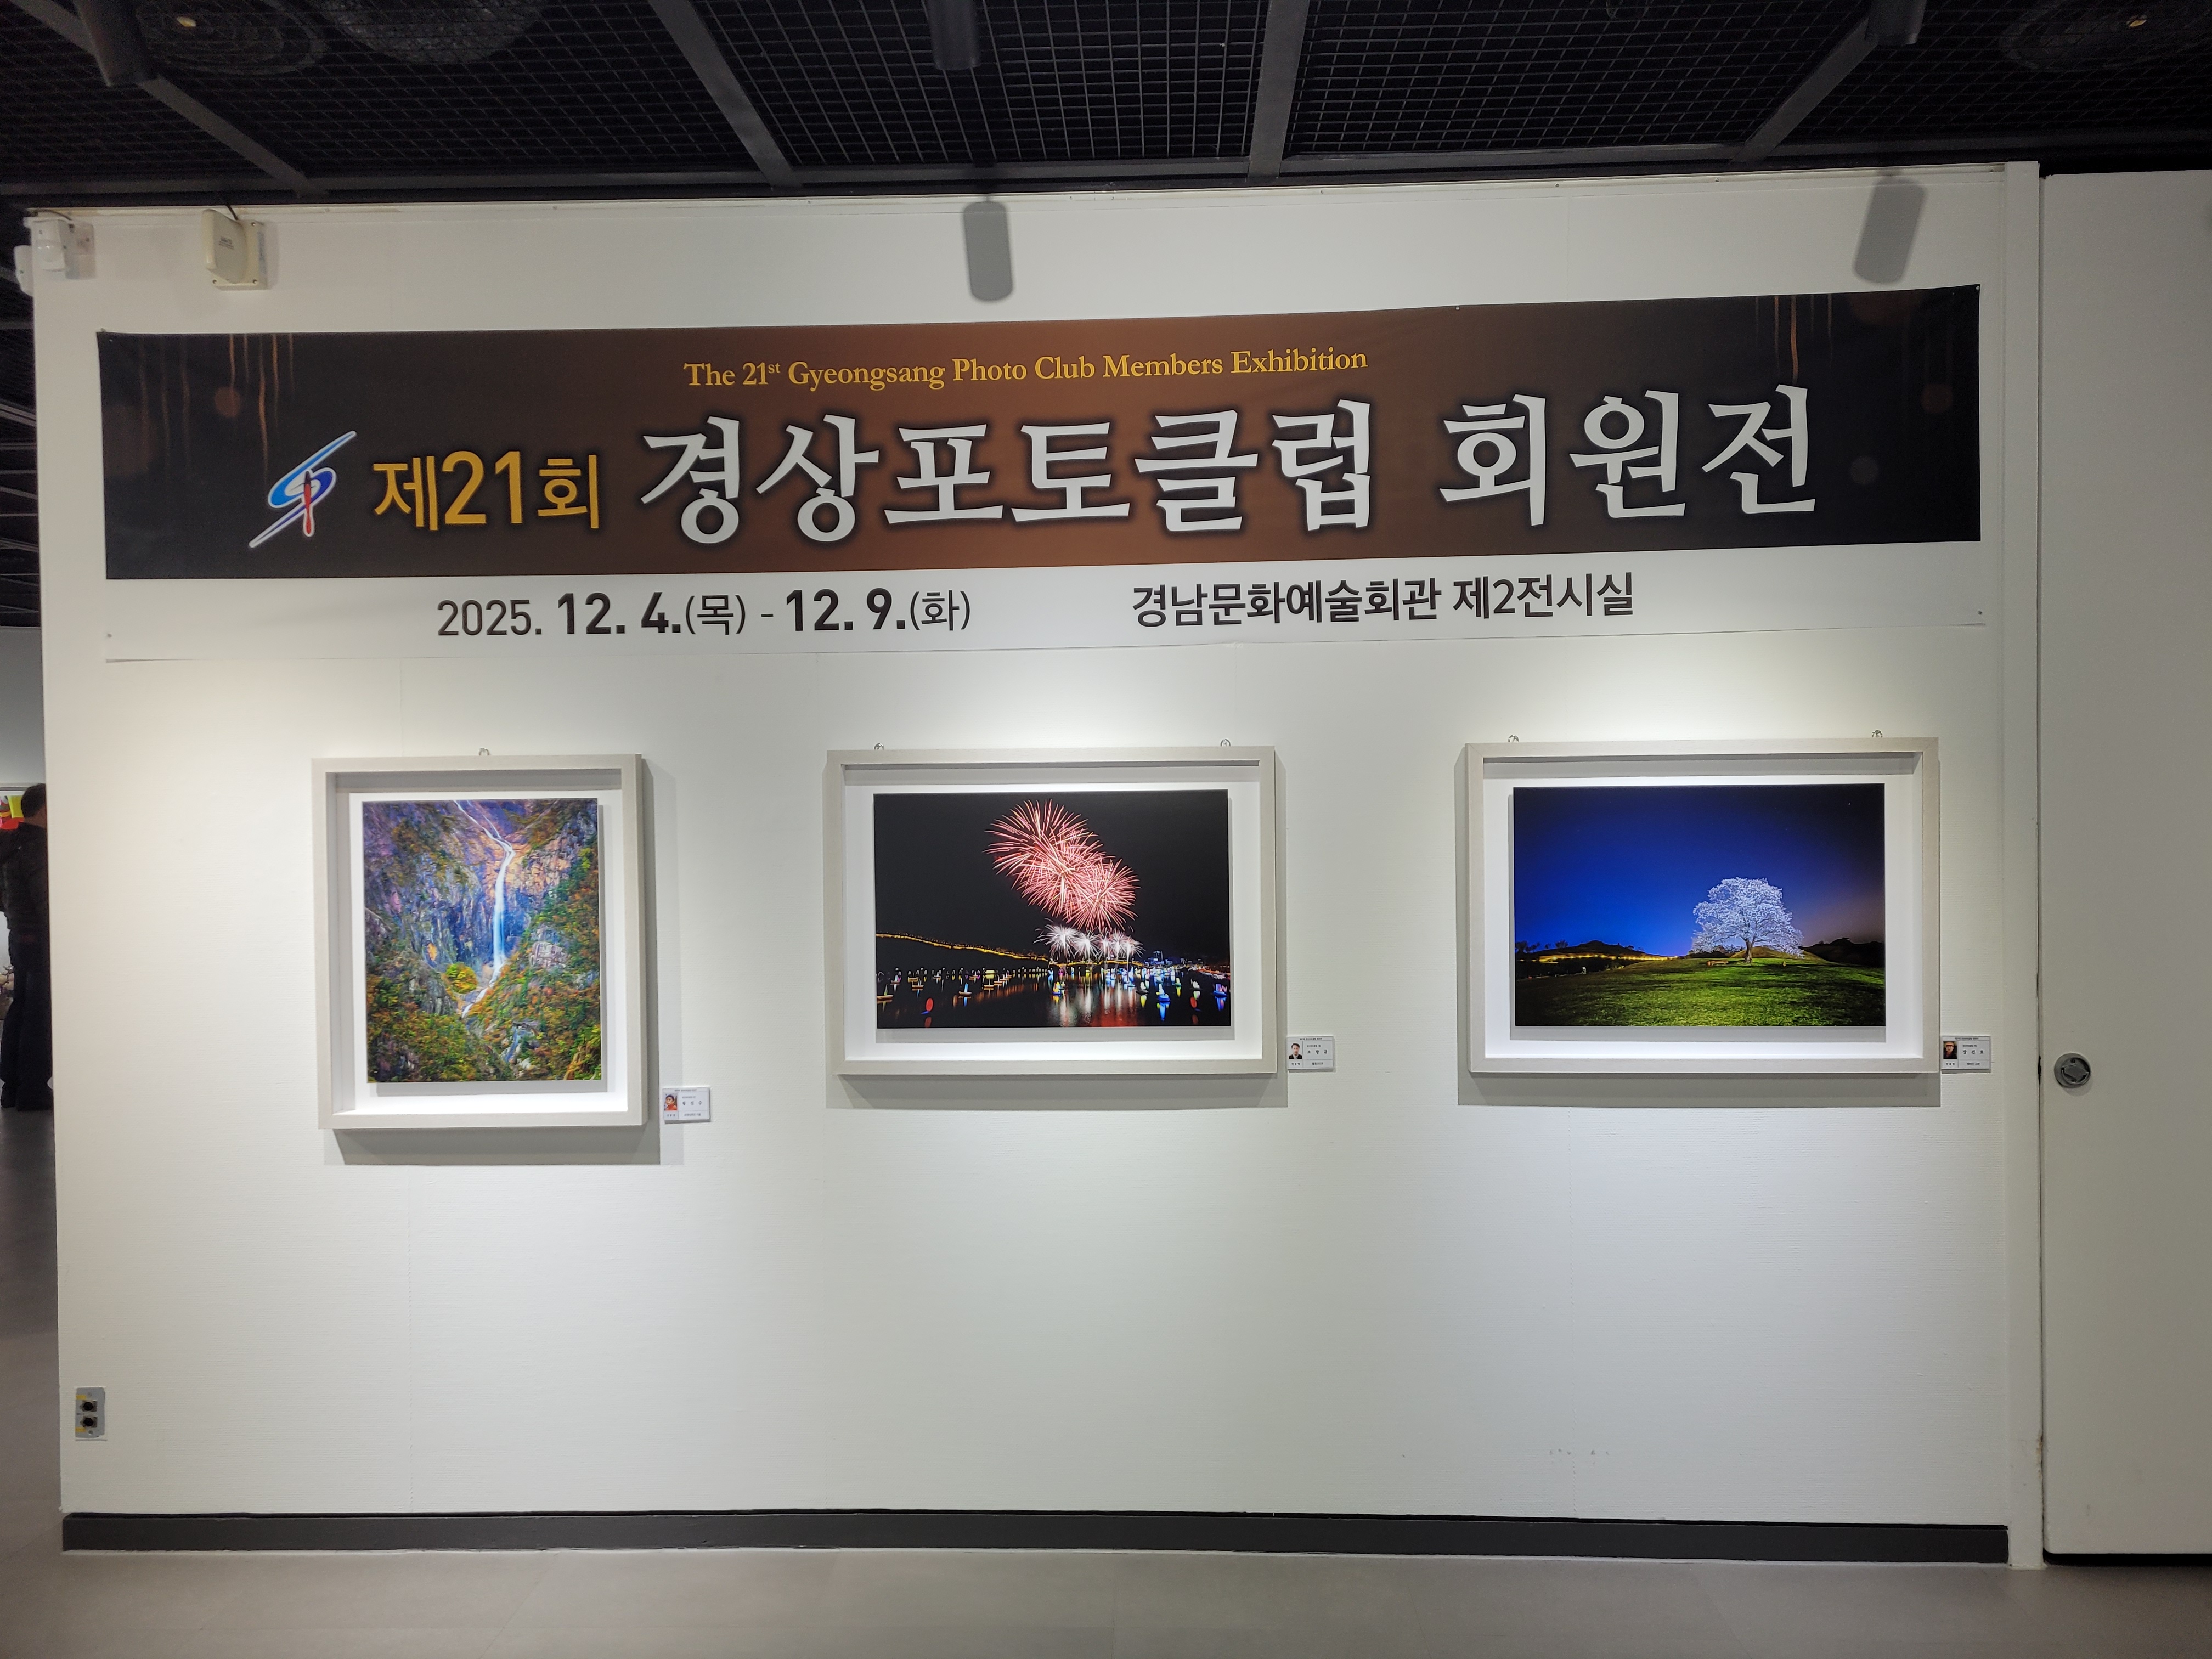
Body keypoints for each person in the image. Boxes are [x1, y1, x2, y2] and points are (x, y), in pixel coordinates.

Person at [1, 783, 50, 1111]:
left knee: (21, 1006)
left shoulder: (11, 844)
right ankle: (33, 1091)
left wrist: (15, 918)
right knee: (39, 1012)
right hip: (41, 936)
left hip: (19, 934)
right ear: (45, 810)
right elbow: (47, 901)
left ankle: (12, 1088)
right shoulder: (38, 848)